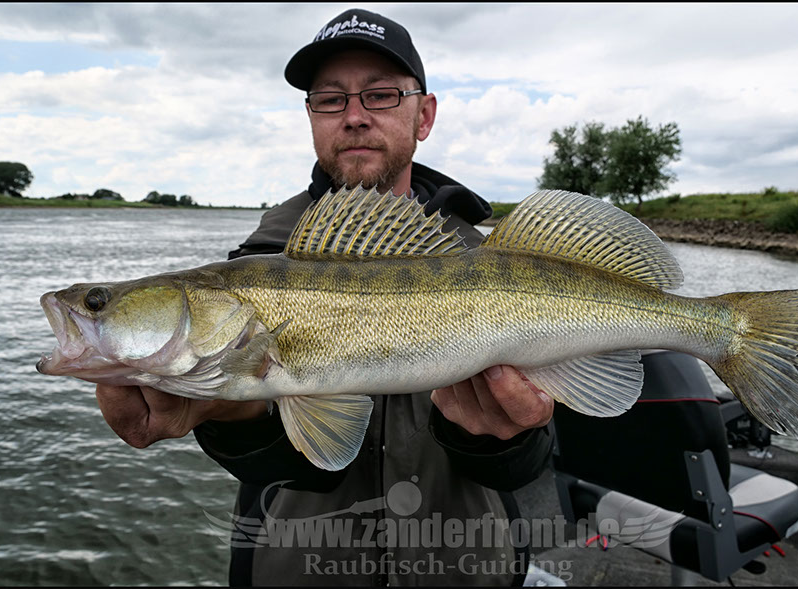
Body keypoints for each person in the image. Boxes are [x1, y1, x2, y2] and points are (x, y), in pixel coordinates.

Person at [95, 8, 554, 586]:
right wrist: (235, 421)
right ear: (310, 117)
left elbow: (533, 464)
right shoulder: (258, 263)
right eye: (330, 100)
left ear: (425, 114)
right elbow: (287, 470)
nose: (355, 117)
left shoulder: (493, 261)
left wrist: (495, 440)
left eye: (381, 95)